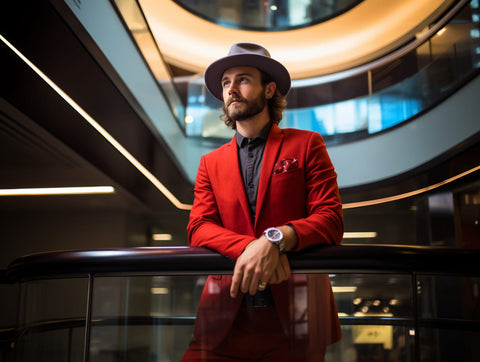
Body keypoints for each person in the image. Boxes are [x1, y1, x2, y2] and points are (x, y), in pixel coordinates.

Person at [181, 43, 343, 361]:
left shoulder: (308, 143)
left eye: (242, 79)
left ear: (269, 89)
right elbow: (198, 227)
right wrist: (254, 247)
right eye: (226, 82)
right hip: (223, 316)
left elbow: (331, 218)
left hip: (297, 317)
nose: (231, 89)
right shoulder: (209, 163)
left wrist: (277, 238)